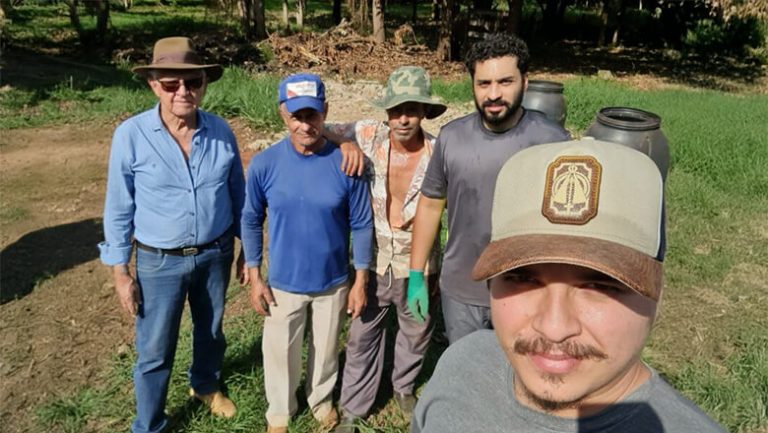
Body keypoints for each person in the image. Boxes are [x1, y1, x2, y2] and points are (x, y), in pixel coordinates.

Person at [411, 139, 727, 432]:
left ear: (658, 294)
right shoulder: (461, 365)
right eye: (522, 278)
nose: (554, 328)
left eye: (601, 286)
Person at [98, 36, 244, 433]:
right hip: (159, 261)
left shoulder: (220, 131)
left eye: (193, 82)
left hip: (215, 253)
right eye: (171, 83)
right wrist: (120, 272)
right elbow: (118, 207)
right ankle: (149, 424)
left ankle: (205, 385)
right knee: (155, 348)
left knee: (211, 331)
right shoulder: (130, 135)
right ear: (153, 85)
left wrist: (247, 249)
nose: (183, 91)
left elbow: (238, 193)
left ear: (204, 84)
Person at [407, 32, 570, 345]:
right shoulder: (452, 138)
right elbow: (429, 205)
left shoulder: (551, 141)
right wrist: (416, 275)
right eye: (484, 83)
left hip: (526, 290)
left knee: (517, 371)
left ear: (525, 81)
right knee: (467, 367)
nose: (493, 94)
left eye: (505, 82)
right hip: (461, 289)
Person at [241, 73, 374, 433]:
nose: (304, 125)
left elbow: (362, 223)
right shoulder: (265, 164)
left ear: (324, 112)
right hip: (283, 282)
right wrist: (254, 275)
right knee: (280, 351)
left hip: (333, 280)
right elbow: (251, 219)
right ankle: (280, 411)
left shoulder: (346, 164)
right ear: (282, 114)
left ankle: (321, 400)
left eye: (312, 115)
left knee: (326, 349)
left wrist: (360, 279)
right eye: (296, 116)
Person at [322, 66, 447, 432]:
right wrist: (344, 144)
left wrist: (435, 272)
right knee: (362, 335)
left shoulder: (439, 152)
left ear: (424, 112)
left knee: (416, 330)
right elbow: (319, 128)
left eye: (412, 110)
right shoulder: (367, 134)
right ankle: (353, 407)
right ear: (386, 112)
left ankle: (403, 388)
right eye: (396, 110)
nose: (403, 119)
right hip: (373, 260)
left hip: (418, 263)